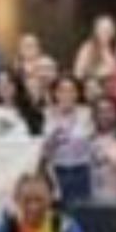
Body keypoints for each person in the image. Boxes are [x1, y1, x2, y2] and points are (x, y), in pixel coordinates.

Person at [43, 77, 96, 205]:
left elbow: (91, 140)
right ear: (55, 93)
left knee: (82, 210)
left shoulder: (87, 113)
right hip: (57, 172)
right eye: (62, 90)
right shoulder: (47, 114)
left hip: (81, 171)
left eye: (71, 90)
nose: (66, 94)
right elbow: (44, 151)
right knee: (58, 211)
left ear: (77, 93)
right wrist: (53, 139)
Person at [90, 96, 116, 204]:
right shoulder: (90, 139)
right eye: (100, 111)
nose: (104, 115)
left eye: (109, 110)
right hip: (93, 200)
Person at [0, 71, 38, 138]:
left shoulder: (30, 111)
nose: (4, 86)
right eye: (0, 83)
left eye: (8, 83)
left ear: (17, 86)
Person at [74, 15, 116, 83]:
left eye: (109, 30)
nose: (106, 33)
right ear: (96, 31)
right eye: (103, 30)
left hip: (113, 83)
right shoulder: (87, 47)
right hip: (92, 82)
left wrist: (106, 52)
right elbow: (78, 72)